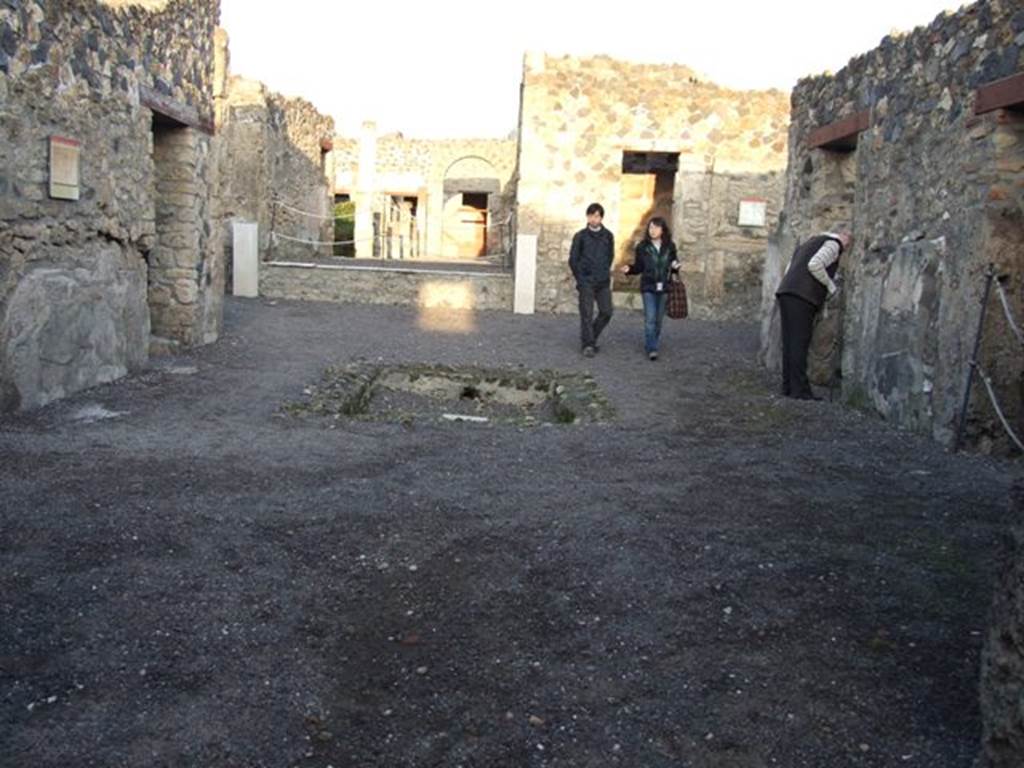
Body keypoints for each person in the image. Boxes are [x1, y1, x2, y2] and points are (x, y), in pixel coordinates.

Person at [775, 227, 853, 399]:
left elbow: (790, 268)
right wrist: (830, 287)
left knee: (789, 342)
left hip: (787, 292)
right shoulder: (834, 244)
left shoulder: (807, 244)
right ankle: (800, 390)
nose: (847, 247)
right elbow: (815, 264)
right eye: (848, 241)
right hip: (803, 296)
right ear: (843, 235)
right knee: (799, 343)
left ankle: (788, 386)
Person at [620, 216, 680, 360]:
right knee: (650, 318)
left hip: (664, 286)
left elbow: (674, 263)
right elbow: (639, 266)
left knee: (659, 320)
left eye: (656, 227)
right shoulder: (642, 247)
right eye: (651, 227)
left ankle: (652, 341)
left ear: (663, 230)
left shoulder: (670, 246)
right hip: (648, 286)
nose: (653, 230)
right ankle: (652, 348)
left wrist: (675, 267)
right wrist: (629, 269)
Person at [569, 203, 615, 357]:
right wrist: (581, 278)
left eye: (597, 216)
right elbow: (573, 260)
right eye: (591, 216)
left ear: (601, 217)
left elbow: (610, 256)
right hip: (586, 281)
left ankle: (590, 337)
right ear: (587, 217)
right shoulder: (580, 236)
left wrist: (603, 272)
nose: (594, 219)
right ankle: (588, 345)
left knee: (606, 312)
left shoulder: (608, 236)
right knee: (586, 313)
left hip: (602, 281)